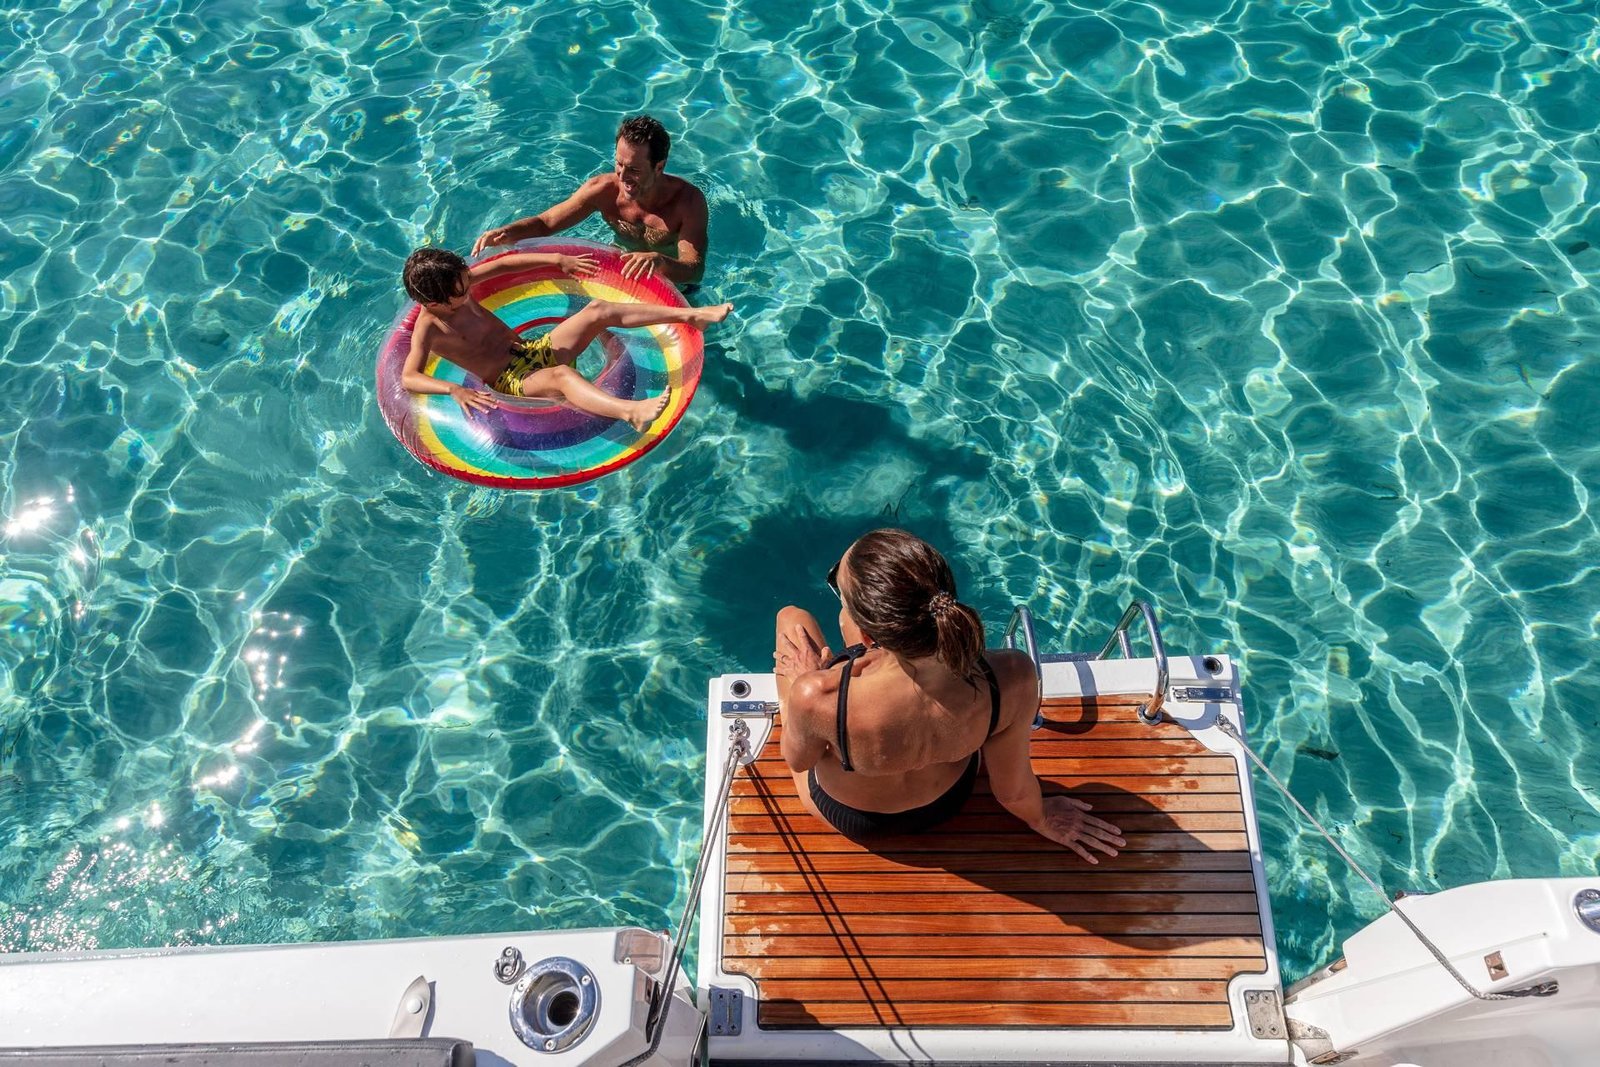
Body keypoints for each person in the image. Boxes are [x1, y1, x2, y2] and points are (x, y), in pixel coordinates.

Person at [774, 529, 1126, 863]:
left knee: (792, 617)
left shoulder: (818, 695)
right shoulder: (1011, 675)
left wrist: (808, 680)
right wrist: (1042, 817)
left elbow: (798, 759)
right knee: (845, 624)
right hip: (949, 800)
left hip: (857, 818)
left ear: (868, 638)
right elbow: (1014, 791)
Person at [400, 247, 730, 429]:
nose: (469, 289)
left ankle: (692, 317)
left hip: (532, 350)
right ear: (434, 302)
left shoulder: (460, 284)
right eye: (461, 292)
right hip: (512, 381)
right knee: (562, 375)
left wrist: (558, 260)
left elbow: (506, 265)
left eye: (466, 282)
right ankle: (631, 412)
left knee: (598, 310)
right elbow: (409, 377)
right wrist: (453, 388)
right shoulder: (429, 327)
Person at [471, 115, 709, 286]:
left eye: (634, 169)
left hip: (673, 283)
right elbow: (546, 223)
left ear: (659, 166)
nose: (622, 176)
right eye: (619, 163)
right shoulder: (602, 190)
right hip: (619, 270)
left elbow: (694, 270)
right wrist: (507, 232)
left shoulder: (688, 202)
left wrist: (661, 262)